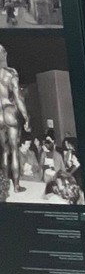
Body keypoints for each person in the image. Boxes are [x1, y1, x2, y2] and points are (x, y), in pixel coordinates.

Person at [1, 43, 30, 194]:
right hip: (10, 111)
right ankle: (17, 186)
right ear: (4, 54)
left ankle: (4, 187)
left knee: (4, 151)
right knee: (14, 150)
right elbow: (18, 98)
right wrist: (26, 117)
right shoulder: (11, 72)